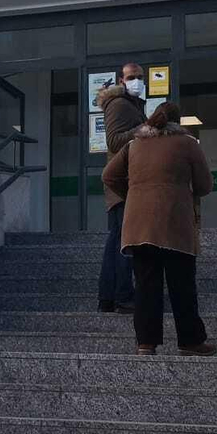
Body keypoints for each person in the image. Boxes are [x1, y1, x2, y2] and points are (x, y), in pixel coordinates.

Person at [101, 101, 215, 356]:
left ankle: (146, 343)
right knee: (182, 285)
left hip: (139, 227)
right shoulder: (187, 143)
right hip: (175, 223)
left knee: (145, 285)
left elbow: (108, 175)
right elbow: (205, 185)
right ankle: (190, 341)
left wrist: (131, 195)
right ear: (179, 121)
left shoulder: (134, 145)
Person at [96, 62, 147, 312]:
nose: (136, 80)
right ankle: (123, 296)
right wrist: (143, 130)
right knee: (124, 242)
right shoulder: (118, 104)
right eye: (131, 77)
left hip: (127, 183)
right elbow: (114, 141)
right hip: (122, 184)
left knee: (118, 240)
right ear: (121, 79)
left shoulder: (133, 104)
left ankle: (109, 297)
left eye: (139, 76)